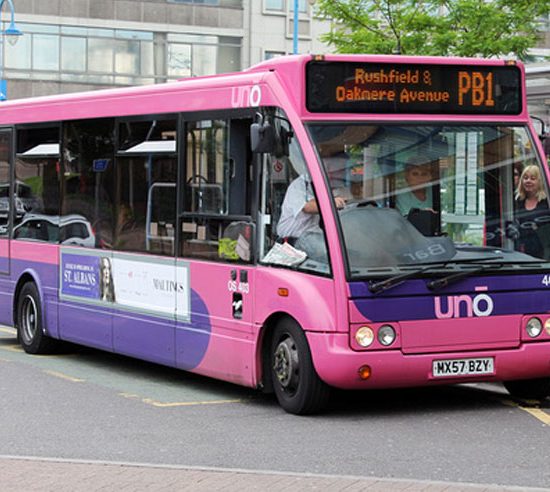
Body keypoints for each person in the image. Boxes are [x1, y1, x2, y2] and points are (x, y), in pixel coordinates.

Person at [276, 173, 346, 241]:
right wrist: (331, 203)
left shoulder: (323, 186)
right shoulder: (298, 185)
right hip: (293, 239)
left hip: (312, 234)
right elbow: (307, 207)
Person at [514, 164, 549, 258]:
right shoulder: (517, 202)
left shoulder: (547, 202)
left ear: (540, 182)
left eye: (533, 178)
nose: (528, 181)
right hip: (521, 254)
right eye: (525, 178)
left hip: (543, 255)